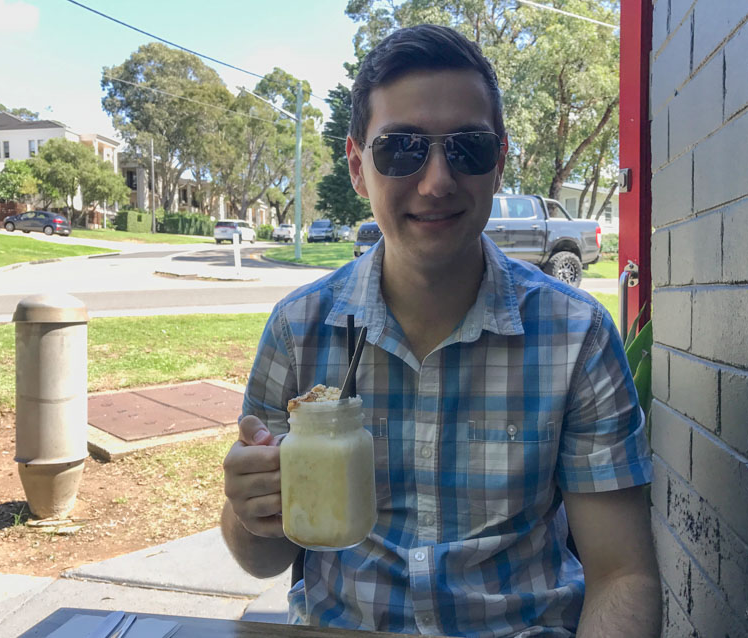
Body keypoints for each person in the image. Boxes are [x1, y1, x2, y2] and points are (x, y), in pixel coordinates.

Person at [222, 24, 661, 637]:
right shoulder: (300, 330)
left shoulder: (575, 336)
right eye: (401, 149)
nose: (436, 182)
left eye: (468, 149)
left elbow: (622, 575)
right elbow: (262, 558)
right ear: (356, 166)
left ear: (499, 163)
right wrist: (249, 512)